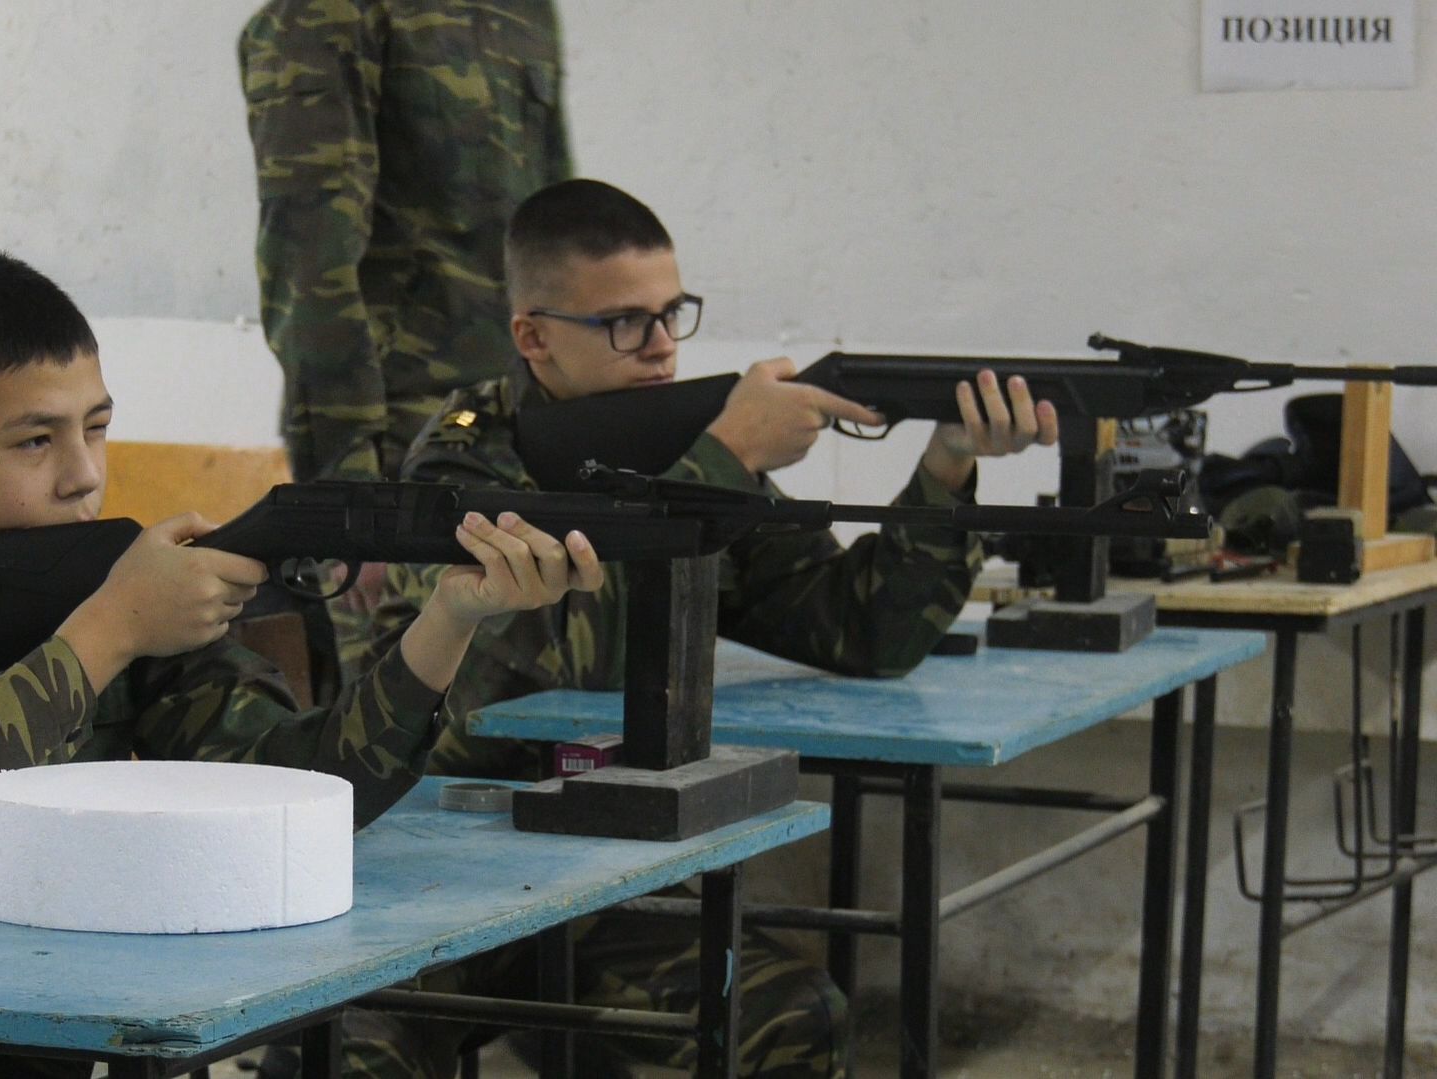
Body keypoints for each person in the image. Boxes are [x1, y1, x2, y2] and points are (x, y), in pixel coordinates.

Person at [0, 243, 603, 1078]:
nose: (84, 473)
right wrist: (113, 625)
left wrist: (448, 621)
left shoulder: (99, 581)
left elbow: (295, 793)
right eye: (36, 440)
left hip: (11, 1016)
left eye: (97, 426)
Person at [359, 179, 1060, 1076]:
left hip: (600, 874)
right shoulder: (459, 458)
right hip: (435, 872)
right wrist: (721, 460)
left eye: (672, 314)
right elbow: (523, 676)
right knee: (347, 1050)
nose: (660, 350)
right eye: (624, 323)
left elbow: (861, 631)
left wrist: (947, 464)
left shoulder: (676, 453)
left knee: (792, 1015)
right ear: (532, 336)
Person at [238, 0, 572, 484]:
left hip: (522, 423)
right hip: (405, 434)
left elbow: (559, 234)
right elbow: (307, 262)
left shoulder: (524, 12)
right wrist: (345, 476)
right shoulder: (327, 15)